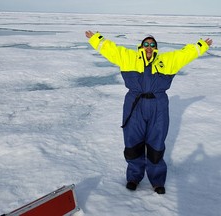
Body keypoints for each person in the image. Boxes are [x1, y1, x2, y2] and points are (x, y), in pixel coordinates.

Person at [85, 30, 212, 194]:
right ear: (141, 47)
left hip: (158, 105)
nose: (149, 47)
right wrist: (96, 39)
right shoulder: (128, 58)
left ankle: (157, 180)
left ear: (156, 48)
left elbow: (185, 54)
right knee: (133, 143)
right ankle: (133, 177)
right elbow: (110, 49)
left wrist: (201, 46)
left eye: (152, 45)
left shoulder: (167, 61)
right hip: (134, 104)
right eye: (146, 44)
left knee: (156, 144)